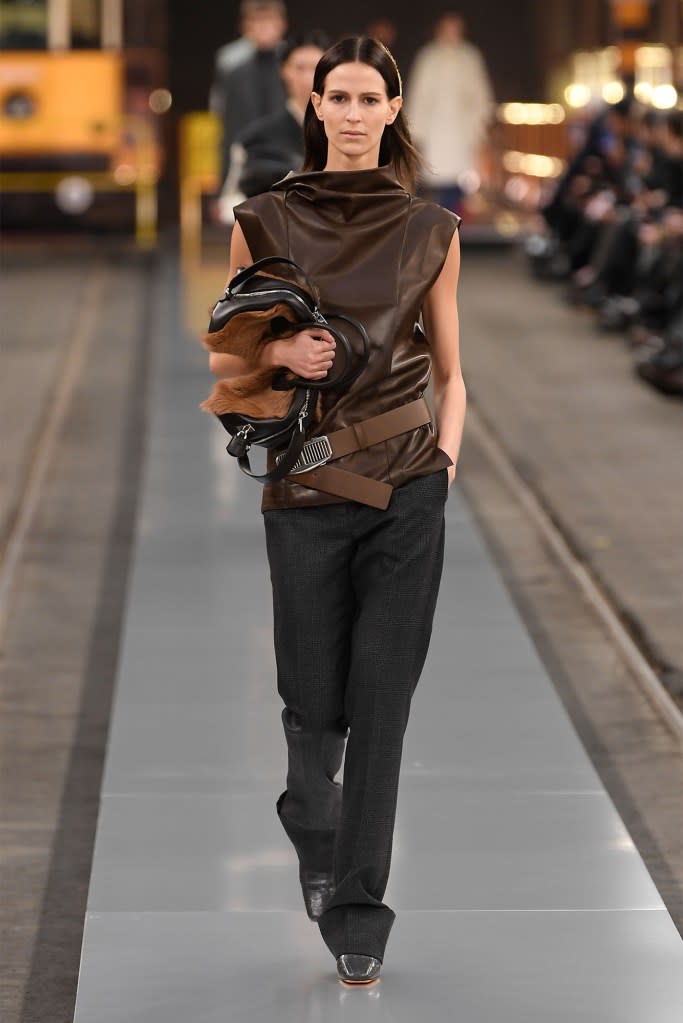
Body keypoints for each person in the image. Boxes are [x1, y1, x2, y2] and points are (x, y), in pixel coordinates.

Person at [207, 36, 466, 984]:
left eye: (369, 98)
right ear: (314, 105)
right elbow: (230, 359)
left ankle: (360, 907)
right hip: (305, 490)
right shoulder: (263, 219)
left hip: (407, 485)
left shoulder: (431, 227)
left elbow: (451, 368)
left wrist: (446, 460)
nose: (353, 113)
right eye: (338, 97)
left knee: (381, 708)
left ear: (392, 110)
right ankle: (309, 815)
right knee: (313, 704)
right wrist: (279, 359)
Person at [217, 30, 329, 222]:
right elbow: (232, 202)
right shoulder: (256, 138)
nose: (308, 78)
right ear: (284, 71)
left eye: (315, 67)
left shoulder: (345, 132)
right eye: (300, 68)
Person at [405, 10, 494, 213]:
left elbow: (480, 94)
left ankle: (455, 227)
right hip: (435, 131)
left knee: (460, 182)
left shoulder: (470, 57)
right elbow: (419, 95)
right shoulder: (428, 57)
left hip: (461, 131)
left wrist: (479, 127)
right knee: (435, 181)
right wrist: (416, 132)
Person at [209, 0, 288, 183]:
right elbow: (224, 118)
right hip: (244, 154)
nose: (263, 28)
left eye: (269, 20)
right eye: (257, 21)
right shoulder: (231, 65)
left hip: (286, 154)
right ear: (245, 26)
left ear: (281, 24)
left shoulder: (294, 63)